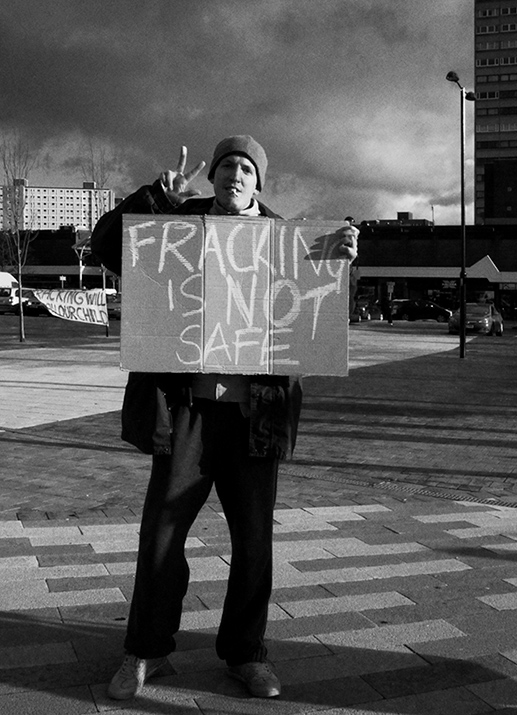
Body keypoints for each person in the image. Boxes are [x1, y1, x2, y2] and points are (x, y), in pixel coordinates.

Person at [90, 136, 357, 701]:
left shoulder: (290, 241)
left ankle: (246, 655)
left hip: (253, 418)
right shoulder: (174, 225)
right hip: (186, 413)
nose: (235, 175)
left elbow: (316, 314)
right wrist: (154, 198)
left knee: (254, 542)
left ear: (258, 184)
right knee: (160, 537)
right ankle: (146, 651)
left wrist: (339, 259)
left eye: (246, 169)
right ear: (211, 177)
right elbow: (107, 246)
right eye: (227, 166)